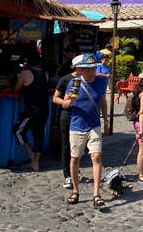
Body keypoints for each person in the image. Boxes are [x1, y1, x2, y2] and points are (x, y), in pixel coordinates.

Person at [62, 53, 108, 207]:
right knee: (75, 158)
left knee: (96, 157)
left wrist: (106, 120)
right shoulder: (75, 84)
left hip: (94, 125)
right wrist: (69, 101)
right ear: (80, 69)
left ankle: (96, 194)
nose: (90, 72)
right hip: (77, 126)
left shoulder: (101, 82)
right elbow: (66, 104)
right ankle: (75, 191)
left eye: (93, 69)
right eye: (86, 69)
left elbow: (102, 100)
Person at [13, 53, 49, 171]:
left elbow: (17, 89)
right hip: (44, 109)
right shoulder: (45, 73)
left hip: (32, 110)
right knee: (39, 135)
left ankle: (31, 154)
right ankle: (36, 163)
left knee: (18, 131)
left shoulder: (25, 73)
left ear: (28, 63)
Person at [53, 54, 80, 189]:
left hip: (82, 117)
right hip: (68, 116)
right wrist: (65, 102)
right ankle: (67, 175)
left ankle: (75, 168)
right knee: (66, 146)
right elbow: (55, 98)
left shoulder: (89, 80)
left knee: (79, 146)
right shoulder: (66, 80)